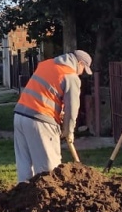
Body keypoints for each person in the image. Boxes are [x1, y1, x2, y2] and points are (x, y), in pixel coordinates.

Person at [13, 50, 92, 182]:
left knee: (24, 163)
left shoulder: (47, 64)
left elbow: (47, 92)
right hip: (40, 121)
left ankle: (22, 198)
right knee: (49, 168)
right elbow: (72, 109)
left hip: (20, 115)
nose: (82, 72)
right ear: (80, 63)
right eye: (83, 69)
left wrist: (57, 110)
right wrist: (69, 131)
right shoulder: (70, 76)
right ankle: (49, 199)